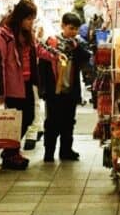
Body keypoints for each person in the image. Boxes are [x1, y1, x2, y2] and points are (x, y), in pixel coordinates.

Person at [0, 0, 39, 169]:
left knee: (29, 117)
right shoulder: (2, 34)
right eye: (29, 19)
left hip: (26, 84)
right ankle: (11, 153)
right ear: (20, 17)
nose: (31, 23)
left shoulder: (26, 34)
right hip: (12, 86)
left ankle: (11, 151)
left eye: (33, 19)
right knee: (15, 121)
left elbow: (37, 50)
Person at [38, 12, 91, 162]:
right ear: (63, 26)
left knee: (69, 122)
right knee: (52, 123)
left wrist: (76, 47)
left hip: (70, 90)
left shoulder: (77, 43)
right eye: (71, 28)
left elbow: (87, 58)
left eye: (76, 29)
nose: (74, 32)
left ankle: (66, 151)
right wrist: (43, 89)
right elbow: (42, 66)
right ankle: (49, 152)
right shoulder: (52, 43)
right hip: (54, 90)